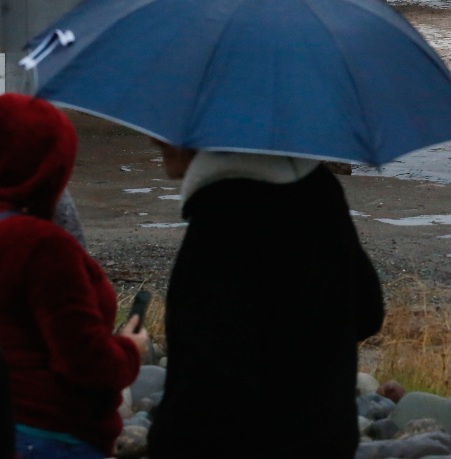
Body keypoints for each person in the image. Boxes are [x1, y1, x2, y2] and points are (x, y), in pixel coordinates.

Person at [147, 143, 385, 459]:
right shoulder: (319, 188)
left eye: (169, 129)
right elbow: (368, 312)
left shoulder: (221, 217)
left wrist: (162, 441)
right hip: (329, 441)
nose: (155, 140)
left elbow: (210, 384)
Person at [0, 94, 147, 459]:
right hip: (49, 434)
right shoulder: (42, 246)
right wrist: (131, 349)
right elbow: (85, 362)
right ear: (52, 167)